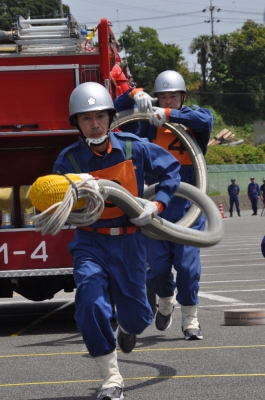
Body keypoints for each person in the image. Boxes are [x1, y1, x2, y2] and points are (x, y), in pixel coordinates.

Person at [52, 82, 181, 400]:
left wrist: (157, 203)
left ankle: (128, 327)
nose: (94, 124)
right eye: (85, 118)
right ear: (76, 123)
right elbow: (53, 201)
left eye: (99, 116)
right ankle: (111, 378)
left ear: (111, 117)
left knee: (138, 317)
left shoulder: (133, 147)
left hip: (130, 242)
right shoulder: (68, 162)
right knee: (89, 301)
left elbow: (172, 170)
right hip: (90, 243)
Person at [114, 70, 214, 340]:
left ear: (183, 96)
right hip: (154, 204)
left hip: (187, 206)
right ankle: (166, 300)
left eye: (173, 96)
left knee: (187, 266)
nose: (167, 101)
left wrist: (170, 116)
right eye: (162, 97)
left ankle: (190, 319)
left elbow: (206, 118)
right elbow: (112, 115)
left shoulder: (193, 121)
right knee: (156, 268)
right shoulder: (145, 124)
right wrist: (133, 94)